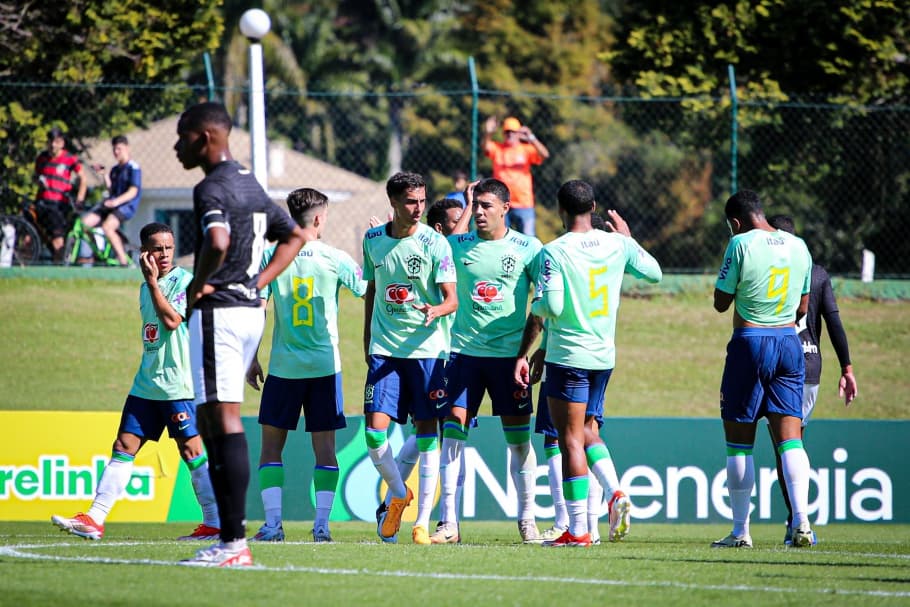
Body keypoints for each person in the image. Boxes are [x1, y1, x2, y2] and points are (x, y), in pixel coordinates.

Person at [174, 101, 306, 567]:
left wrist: (197, 284)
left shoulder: (212, 186)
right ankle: (231, 541)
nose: (176, 146)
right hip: (248, 310)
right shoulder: (249, 182)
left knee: (220, 420)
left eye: (183, 136)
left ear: (206, 137)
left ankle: (232, 543)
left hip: (221, 311)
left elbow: (217, 242)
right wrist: (259, 282)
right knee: (216, 418)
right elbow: (292, 235)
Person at [51, 222, 220, 541]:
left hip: (177, 384)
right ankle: (95, 518)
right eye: (158, 248)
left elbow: (171, 321)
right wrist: (151, 284)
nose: (165, 253)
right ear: (145, 252)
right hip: (147, 383)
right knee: (123, 446)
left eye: (169, 247)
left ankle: (215, 522)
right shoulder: (145, 286)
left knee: (191, 451)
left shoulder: (185, 281)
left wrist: (154, 284)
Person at [520, 180, 661, 547]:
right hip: (603, 356)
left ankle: (579, 529)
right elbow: (654, 273)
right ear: (594, 206)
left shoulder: (555, 251)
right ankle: (615, 494)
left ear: (560, 211)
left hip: (569, 356)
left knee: (570, 440)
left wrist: (534, 309)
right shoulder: (617, 244)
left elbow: (549, 306)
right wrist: (629, 240)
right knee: (587, 432)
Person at [245, 188, 367, 543]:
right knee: (325, 450)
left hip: (284, 368)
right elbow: (366, 289)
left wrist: (252, 357)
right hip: (325, 368)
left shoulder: (271, 254)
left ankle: (273, 525)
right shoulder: (335, 257)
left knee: (271, 448)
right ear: (318, 218)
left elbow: (258, 307)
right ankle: (321, 526)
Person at [434, 178, 544, 544]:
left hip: (508, 360)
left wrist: (526, 354)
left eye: (485, 206)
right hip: (463, 354)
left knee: (518, 441)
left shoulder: (530, 249)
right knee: (452, 428)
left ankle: (527, 519)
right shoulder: (457, 244)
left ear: (504, 209)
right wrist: (463, 205)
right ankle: (448, 521)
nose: (479, 212)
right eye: (475, 206)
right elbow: (440, 253)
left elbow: (542, 308)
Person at [712, 190, 814, 549]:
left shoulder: (739, 244)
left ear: (736, 223)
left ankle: (741, 532)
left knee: (739, 445)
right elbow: (803, 304)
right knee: (790, 439)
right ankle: (801, 522)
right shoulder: (799, 246)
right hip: (789, 342)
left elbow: (720, 303)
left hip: (750, 341)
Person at [362, 171, 457, 545]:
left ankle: (421, 522)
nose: (417, 208)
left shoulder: (436, 244)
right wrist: (368, 336)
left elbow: (452, 299)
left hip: (428, 351)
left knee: (427, 432)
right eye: (409, 202)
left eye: (421, 201)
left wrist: (437, 310)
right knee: (374, 433)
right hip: (384, 350)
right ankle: (399, 493)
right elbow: (372, 288)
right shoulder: (372, 240)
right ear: (393, 203)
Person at [767, 214, 858, 545]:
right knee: (794, 441)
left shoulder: (767, 265)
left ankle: (796, 520)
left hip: (772, 360)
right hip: (810, 365)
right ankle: (798, 521)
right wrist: (846, 368)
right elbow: (833, 321)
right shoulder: (817, 273)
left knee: (783, 447)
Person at [482, 116, 549, 237]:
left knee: (528, 238)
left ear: (518, 133)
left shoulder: (526, 149)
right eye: (507, 132)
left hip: (523, 203)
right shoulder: (498, 149)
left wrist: (532, 138)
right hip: (501, 202)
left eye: (513, 131)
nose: (510, 134)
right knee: (501, 237)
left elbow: (544, 154)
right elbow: (485, 147)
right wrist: (488, 133)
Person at [81, 135, 141, 266]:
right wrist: (104, 175)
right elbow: (111, 189)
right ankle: (97, 252)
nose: (116, 152)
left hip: (126, 207)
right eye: (114, 149)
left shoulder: (133, 167)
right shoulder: (115, 169)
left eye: (119, 149)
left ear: (127, 148)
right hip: (111, 205)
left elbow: (133, 191)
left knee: (107, 226)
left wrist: (116, 202)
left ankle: (123, 262)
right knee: (84, 224)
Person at [34, 126, 87, 261]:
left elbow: (83, 178)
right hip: (40, 203)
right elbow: (36, 177)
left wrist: (79, 199)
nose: (53, 145)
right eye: (50, 141)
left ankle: (59, 268)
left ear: (62, 143)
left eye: (56, 141)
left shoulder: (70, 159)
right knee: (30, 235)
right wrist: (38, 182)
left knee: (58, 240)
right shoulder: (42, 158)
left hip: (58, 205)